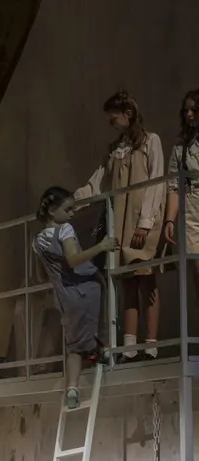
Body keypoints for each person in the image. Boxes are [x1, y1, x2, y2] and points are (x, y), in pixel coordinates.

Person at [76, 91, 165, 364]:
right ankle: (129, 347)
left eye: (113, 117)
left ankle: (151, 346)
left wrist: (145, 223)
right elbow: (97, 183)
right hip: (121, 223)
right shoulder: (114, 150)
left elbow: (156, 182)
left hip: (142, 222)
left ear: (127, 115)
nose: (111, 122)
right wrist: (73, 201)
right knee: (127, 283)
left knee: (146, 279)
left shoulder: (150, 142)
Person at [32, 187, 115, 408]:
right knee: (98, 324)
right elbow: (73, 259)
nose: (72, 213)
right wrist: (101, 246)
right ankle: (102, 352)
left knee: (73, 346)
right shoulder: (65, 230)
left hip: (64, 297)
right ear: (52, 211)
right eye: (68, 209)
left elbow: (40, 276)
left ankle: (72, 388)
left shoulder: (38, 241)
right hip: (84, 288)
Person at [165, 90, 199, 277]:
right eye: (186, 111)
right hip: (192, 210)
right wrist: (170, 219)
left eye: (194, 109)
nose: (189, 115)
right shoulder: (180, 148)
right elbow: (174, 186)